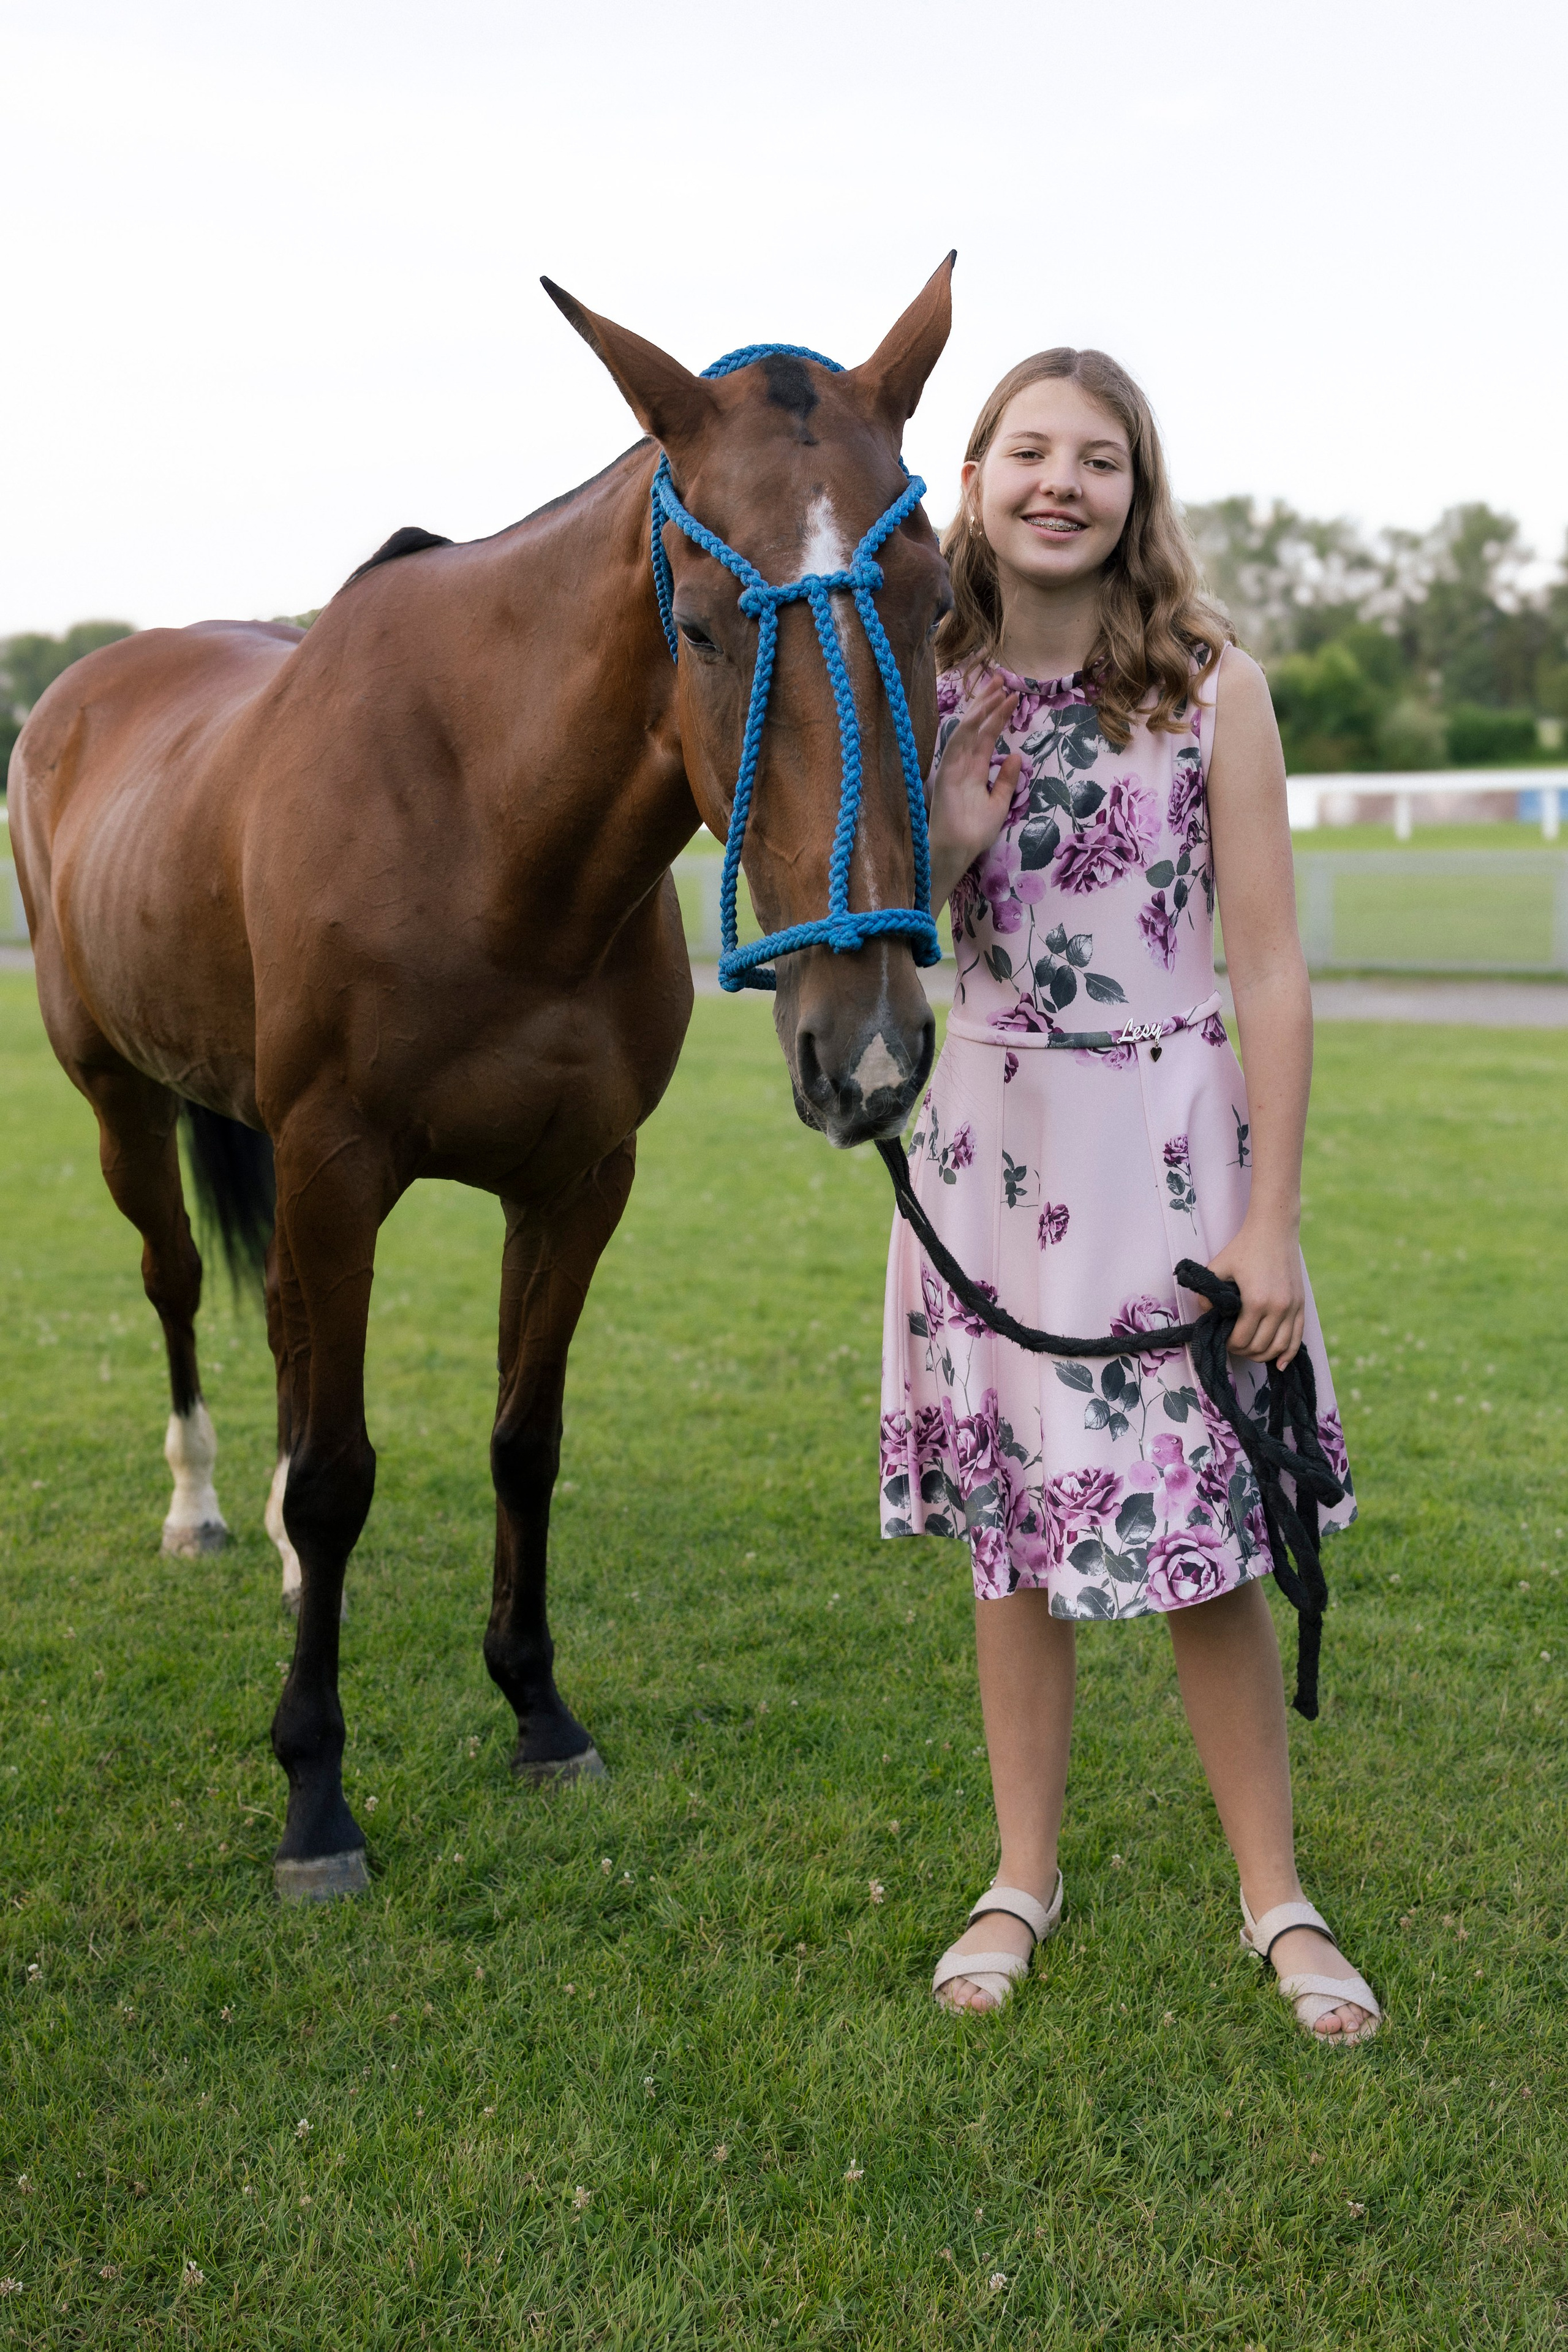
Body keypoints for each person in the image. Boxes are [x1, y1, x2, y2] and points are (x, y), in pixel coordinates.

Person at [879, 349, 1379, 2043]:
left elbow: (1274, 966)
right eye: (1030, 450)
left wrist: (1274, 1224)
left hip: (1173, 1155)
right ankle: (1023, 1875)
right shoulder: (916, 689)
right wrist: (939, 840)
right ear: (976, 475)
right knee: (1012, 1544)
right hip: (990, 1153)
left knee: (1205, 1541)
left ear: (1135, 493)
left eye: (1099, 458)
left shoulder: (1210, 684)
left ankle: (1278, 1898)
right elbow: (866, 943)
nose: (1061, 482)